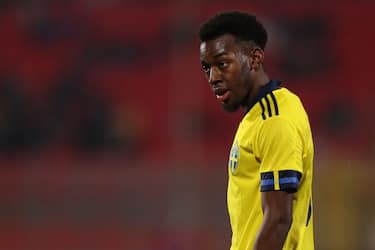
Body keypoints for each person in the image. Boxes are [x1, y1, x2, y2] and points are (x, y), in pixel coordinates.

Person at [199, 11, 314, 250]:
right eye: (207, 68)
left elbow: (279, 220)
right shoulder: (258, 116)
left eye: (222, 64)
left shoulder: (275, 119)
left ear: (254, 58)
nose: (213, 77)